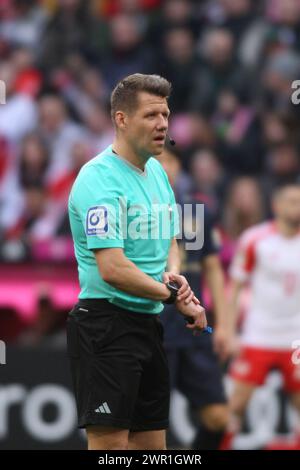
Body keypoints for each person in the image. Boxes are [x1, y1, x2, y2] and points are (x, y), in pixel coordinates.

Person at [67, 73, 207, 451]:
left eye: (165, 114)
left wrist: (174, 277)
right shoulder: (98, 180)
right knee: (111, 450)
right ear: (121, 119)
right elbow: (112, 269)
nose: (162, 123)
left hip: (148, 324)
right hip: (105, 326)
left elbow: (172, 239)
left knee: (151, 448)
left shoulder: (157, 171)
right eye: (150, 115)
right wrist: (169, 294)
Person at [158, 149, 229, 450]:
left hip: (194, 329)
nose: (163, 167)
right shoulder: (133, 211)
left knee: (218, 417)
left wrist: (224, 326)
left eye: (169, 161)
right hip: (155, 331)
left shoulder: (196, 212)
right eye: (155, 161)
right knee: (150, 426)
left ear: (178, 167)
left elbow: (212, 268)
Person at [224, 181, 300, 449]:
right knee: (237, 403)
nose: (297, 207)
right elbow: (234, 287)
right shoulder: (256, 240)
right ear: (276, 206)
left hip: (295, 338)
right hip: (259, 335)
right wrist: (228, 330)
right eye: (291, 201)